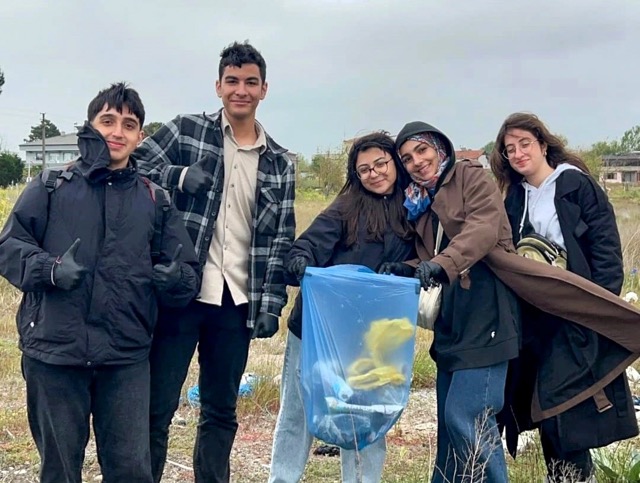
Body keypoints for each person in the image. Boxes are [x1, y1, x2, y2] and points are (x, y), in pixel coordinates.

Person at [0, 82, 200, 483]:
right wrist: (50, 269)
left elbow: (188, 273)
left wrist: (174, 279)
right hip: (54, 354)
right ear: (91, 126)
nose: (117, 132)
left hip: (125, 358)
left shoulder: (155, 199)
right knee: (59, 471)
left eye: (129, 125)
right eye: (108, 121)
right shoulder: (51, 185)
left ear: (140, 137)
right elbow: (8, 247)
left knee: (131, 471)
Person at [133, 41, 296, 483]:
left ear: (264, 89)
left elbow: (281, 238)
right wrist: (179, 175)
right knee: (157, 407)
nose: (241, 90)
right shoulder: (186, 131)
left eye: (250, 82)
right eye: (232, 81)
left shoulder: (279, 163)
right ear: (218, 86)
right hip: (180, 292)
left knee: (221, 410)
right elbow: (132, 166)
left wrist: (271, 304)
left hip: (236, 302)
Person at [490, 112, 638, 482]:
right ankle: (561, 476)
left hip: (576, 313)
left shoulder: (576, 186)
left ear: (543, 144)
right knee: (542, 404)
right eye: (510, 149)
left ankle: (574, 478)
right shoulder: (514, 200)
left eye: (525, 143)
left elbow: (606, 252)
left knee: (565, 404)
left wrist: (597, 309)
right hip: (534, 319)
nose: (518, 153)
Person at [268, 132, 415, 483]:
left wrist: (406, 270)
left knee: (367, 414)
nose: (374, 173)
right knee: (298, 412)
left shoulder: (414, 209)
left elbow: (423, 259)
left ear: (394, 162)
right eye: (364, 169)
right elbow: (307, 245)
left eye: (380, 164)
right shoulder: (346, 207)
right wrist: (300, 261)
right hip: (317, 330)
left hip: (372, 339)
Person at [381, 121, 521, 483]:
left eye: (422, 150)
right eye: (407, 158)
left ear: (439, 148)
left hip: (488, 314)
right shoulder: (418, 201)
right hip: (452, 323)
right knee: (449, 428)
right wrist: (406, 268)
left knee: (467, 415)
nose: (416, 162)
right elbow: (431, 255)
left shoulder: (470, 177)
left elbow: (484, 228)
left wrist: (441, 265)